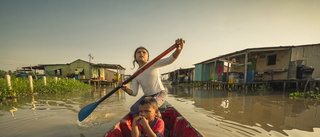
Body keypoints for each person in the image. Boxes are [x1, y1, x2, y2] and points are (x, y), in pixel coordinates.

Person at [120, 38, 184, 117]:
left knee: (150, 107)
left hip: (159, 93)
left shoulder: (152, 63)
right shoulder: (135, 75)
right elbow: (134, 93)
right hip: (147, 96)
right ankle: (139, 126)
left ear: (148, 57)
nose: (141, 53)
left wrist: (178, 50)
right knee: (133, 109)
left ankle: (159, 124)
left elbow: (170, 60)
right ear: (135, 58)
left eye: (144, 52)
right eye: (138, 52)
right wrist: (125, 89)